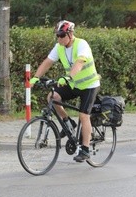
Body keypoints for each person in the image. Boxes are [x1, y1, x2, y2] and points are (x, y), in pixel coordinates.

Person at [29, 20, 100, 162]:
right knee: (52, 97)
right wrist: (35, 77)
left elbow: (79, 62)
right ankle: (68, 122)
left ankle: (85, 149)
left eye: (62, 35)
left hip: (89, 85)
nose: (59, 38)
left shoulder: (81, 44)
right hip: (74, 84)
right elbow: (48, 61)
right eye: (57, 35)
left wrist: (68, 77)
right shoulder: (59, 47)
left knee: (83, 115)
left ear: (70, 34)